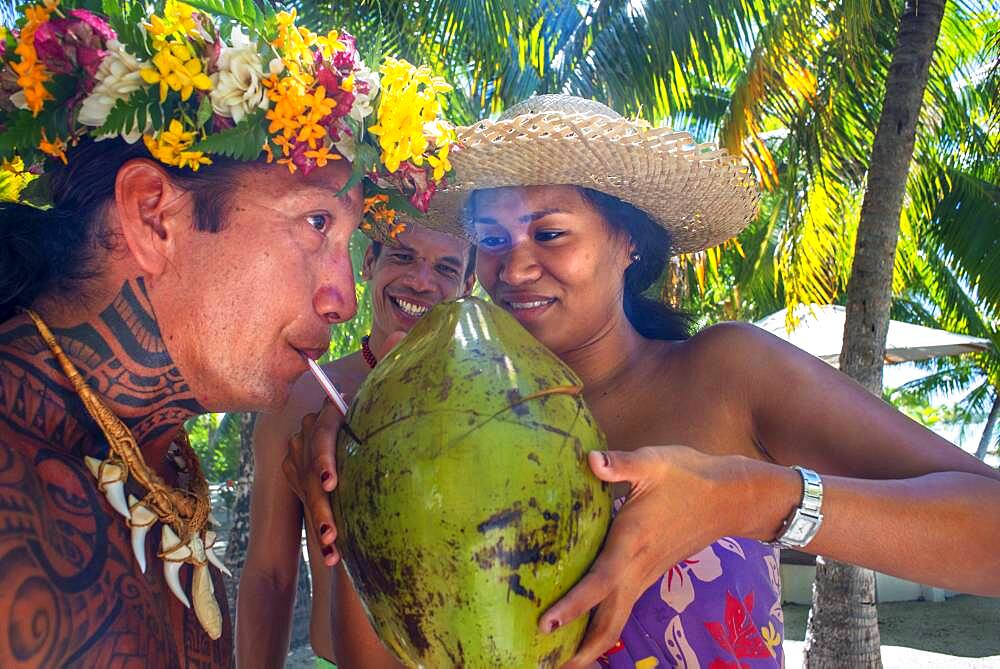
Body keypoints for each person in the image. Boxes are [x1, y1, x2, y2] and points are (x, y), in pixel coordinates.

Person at [284, 94, 1000, 669]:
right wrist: (356, 483)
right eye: (493, 239)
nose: (515, 266)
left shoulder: (726, 374)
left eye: (550, 233)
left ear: (629, 241)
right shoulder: (427, 421)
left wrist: (745, 497)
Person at [0, 2, 453, 666]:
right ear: (154, 216)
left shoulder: (163, 457)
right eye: (316, 223)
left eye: (348, 243)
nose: (344, 298)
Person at [236, 223, 475, 668]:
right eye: (402, 256)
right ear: (368, 263)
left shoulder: (490, 405)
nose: (421, 282)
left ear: (468, 286)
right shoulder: (302, 399)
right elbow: (270, 575)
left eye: (446, 267)